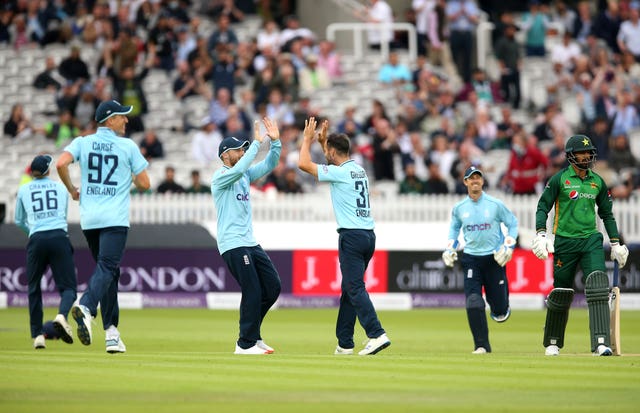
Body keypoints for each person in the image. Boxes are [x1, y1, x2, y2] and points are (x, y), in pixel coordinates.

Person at [56, 100, 151, 354]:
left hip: (89, 220)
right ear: (110, 120)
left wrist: (72, 190)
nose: (126, 120)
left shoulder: (82, 142)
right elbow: (145, 184)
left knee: (110, 272)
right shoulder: (127, 146)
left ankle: (111, 333)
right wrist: (129, 176)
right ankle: (86, 306)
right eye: (122, 117)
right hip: (114, 219)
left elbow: (60, 164)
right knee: (108, 268)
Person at [298, 117, 391, 356]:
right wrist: (323, 144)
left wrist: (308, 140)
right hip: (368, 236)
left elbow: (303, 164)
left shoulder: (339, 173)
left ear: (332, 151)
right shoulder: (357, 169)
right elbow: (334, 164)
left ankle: (376, 333)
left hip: (351, 236)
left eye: (327, 150)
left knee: (354, 287)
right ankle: (345, 343)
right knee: (349, 289)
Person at [532, 134, 630, 357]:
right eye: (581, 153)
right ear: (570, 156)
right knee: (562, 292)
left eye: (588, 153)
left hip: (590, 240)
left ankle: (601, 343)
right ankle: (553, 342)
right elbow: (542, 207)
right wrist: (540, 234)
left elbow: (607, 214)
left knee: (597, 285)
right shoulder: (559, 180)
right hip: (565, 241)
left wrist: (615, 243)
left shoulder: (597, 181)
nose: (586, 156)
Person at [212, 118, 282, 355]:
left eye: (243, 149)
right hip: (232, 243)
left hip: (249, 241)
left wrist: (275, 142)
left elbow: (270, 164)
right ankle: (244, 344)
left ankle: (253, 336)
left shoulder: (243, 174)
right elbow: (241, 168)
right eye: (237, 150)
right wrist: (255, 143)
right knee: (252, 289)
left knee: (272, 287)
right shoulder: (221, 177)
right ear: (225, 155)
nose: (241, 152)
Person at [442, 166, 518, 354]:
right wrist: (450, 247)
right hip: (471, 259)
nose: (475, 181)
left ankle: (500, 305)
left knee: (500, 311)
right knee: (474, 301)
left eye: (478, 178)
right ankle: (482, 345)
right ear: (465, 182)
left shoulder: (495, 204)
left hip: (493, 259)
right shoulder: (459, 208)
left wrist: (509, 245)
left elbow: (513, 223)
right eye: (471, 178)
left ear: (482, 181)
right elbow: (454, 229)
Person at [15, 154, 77, 349]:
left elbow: (18, 220)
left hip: (37, 240)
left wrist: (33, 232)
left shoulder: (23, 189)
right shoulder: (60, 187)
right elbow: (63, 216)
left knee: (33, 288)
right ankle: (61, 315)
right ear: (48, 170)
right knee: (69, 288)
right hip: (59, 237)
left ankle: (38, 336)